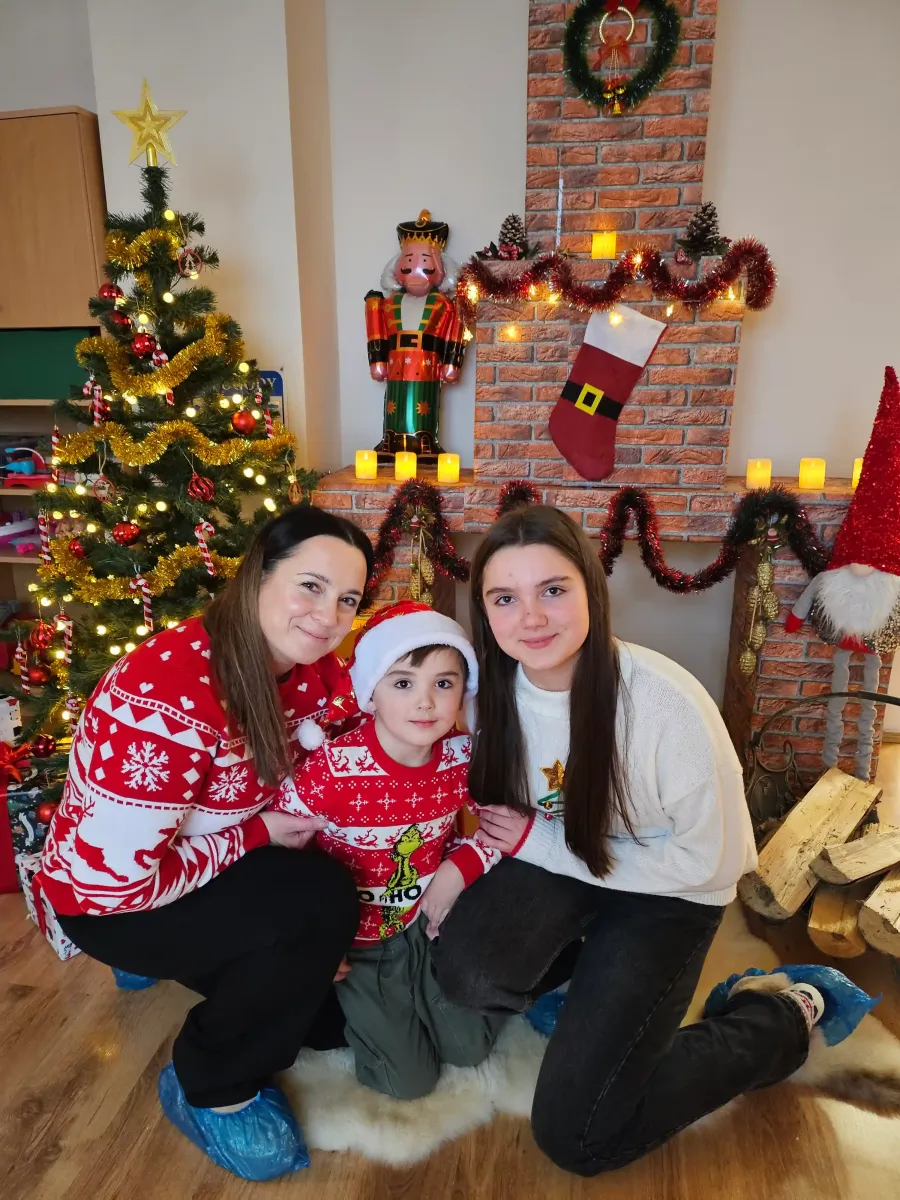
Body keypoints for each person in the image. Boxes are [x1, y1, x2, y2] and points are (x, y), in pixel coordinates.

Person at [432, 504, 875, 1178]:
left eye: (552, 589)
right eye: (505, 598)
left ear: (590, 588)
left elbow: (716, 864)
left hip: (670, 891)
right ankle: (587, 991)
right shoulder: (485, 696)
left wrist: (538, 845)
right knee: (466, 971)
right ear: (485, 611)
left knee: (579, 1137)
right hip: (570, 863)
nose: (531, 618)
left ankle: (780, 1018)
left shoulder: (665, 705)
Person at [36, 506, 374, 1182]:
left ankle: (230, 961)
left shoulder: (308, 669)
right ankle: (212, 1084)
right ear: (258, 575)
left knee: (328, 1023)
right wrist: (262, 841)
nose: (328, 615)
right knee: (318, 902)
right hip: (110, 902)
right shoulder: (167, 694)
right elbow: (114, 884)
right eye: (310, 586)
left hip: (206, 865)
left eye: (348, 599)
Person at [273, 600, 505, 1099]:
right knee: (409, 1082)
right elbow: (279, 854)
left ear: (463, 692)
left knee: (470, 1048)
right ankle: (352, 1020)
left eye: (443, 683)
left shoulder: (463, 756)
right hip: (359, 946)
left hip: (428, 925)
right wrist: (311, 939)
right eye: (402, 683)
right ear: (370, 693)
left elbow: (502, 825)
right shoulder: (332, 769)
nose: (425, 702)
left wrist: (460, 868)